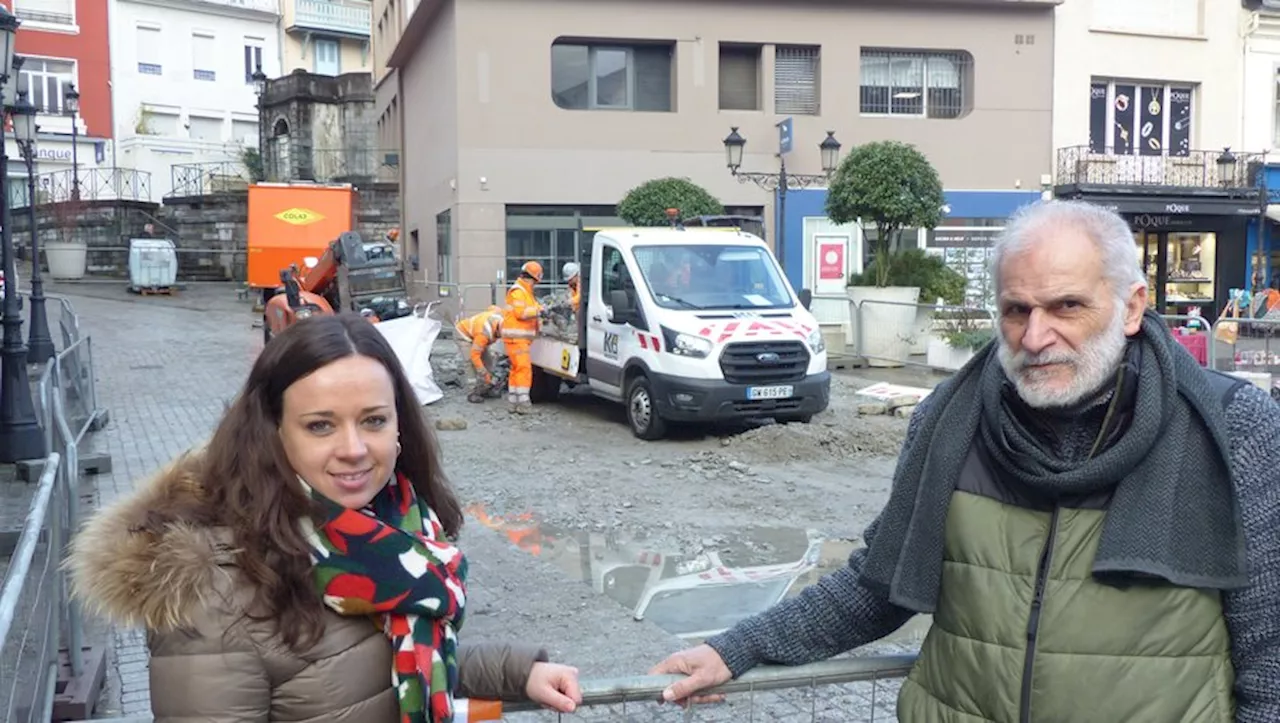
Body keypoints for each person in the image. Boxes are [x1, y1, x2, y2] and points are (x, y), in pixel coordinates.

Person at [650, 200, 1280, 721]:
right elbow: (880, 582)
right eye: (1016, 310)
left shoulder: (1231, 430)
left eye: (1067, 306)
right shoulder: (949, 422)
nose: (1035, 338)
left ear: (1132, 307)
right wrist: (738, 647)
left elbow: (1269, 651)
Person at [69, 314, 582, 723]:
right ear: (273, 434)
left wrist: (518, 672)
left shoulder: (395, 531)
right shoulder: (216, 590)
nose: (354, 450)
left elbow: (389, 672)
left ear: (400, 425)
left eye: (374, 420)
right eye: (320, 426)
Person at [501, 261, 543, 414]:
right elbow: (521, 313)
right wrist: (540, 310)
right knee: (524, 369)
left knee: (516, 369)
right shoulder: (519, 291)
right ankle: (523, 402)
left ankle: (513, 401)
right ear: (531, 278)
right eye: (535, 281)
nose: (535, 284)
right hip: (517, 338)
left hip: (516, 338)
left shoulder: (523, 291)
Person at [455, 305, 505, 403]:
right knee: (470, 363)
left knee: (488, 361)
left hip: (476, 333)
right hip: (463, 335)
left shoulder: (500, 318)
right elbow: (475, 355)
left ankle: (485, 388)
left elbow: (491, 308)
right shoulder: (484, 334)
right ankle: (472, 392)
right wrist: (483, 372)